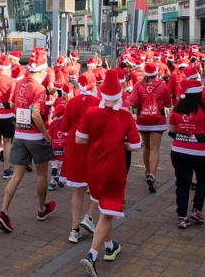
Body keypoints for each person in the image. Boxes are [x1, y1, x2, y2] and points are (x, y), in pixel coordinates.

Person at [77, 69, 141, 276]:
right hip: (114, 169)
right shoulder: (125, 116)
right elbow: (136, 145)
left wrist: (97, 141)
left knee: (106, 209)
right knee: (107, 211)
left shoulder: (91, 113)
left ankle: (110, 246)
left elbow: (79, 139)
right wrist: (120, 143)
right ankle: (92, 256)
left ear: (102, 93)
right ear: (120, 92)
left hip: (93, 166)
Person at [0, 52, 56, 233]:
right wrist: (45, 133)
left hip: (20, 134)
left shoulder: (19, 82)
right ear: (43, 70)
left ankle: (3, 211)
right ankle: (41, 209)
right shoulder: (39, 88)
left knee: (16, 175)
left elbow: (13, 105)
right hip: (36, 136)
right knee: (42, 174)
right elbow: (36, 114)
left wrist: (25, 109)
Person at [167, 78, 205, 228]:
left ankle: (182, 217)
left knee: (182, 184)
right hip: (200, 152)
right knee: (203, 180)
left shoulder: (177, 109)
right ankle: (196, 210)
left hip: (178, 151)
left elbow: (171, 130)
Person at [61, 72, 100, 243]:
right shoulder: (98, 103)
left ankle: (74, 229)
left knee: (78, 189)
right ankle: (89, 216)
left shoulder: (71, 102)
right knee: (97, 184)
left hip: (74, 144)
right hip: (91, 145)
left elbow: (64, 127)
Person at [128, 62, 171, 193]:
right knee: (155, 149)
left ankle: (147, 171)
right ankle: (152, 174)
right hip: (158, 120)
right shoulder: (163, 85)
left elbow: (133, 102)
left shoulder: (138, 85)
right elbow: (168, 103)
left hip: (143, 119)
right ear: (156, 73)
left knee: (146, 147)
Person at [48, 103, 66, 191]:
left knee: (54, 165)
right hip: (64, 148)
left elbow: (50, 136)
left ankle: (52, 183)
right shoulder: (66, 124)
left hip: (54, 148)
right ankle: (59, 176)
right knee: (63, 165)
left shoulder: (53, 124)